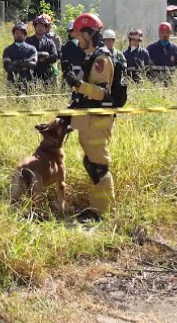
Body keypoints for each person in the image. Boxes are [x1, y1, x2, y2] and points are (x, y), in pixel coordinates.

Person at [62, 13, 121, 218]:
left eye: (79, 34)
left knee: (99, 167)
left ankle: (103, 214)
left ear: (89, 33)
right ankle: (97, 208)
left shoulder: (101, 60)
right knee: (91, 164)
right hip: (89, 120)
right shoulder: (91, 56)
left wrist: (78, 84)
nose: (76, 39)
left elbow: (102, 93)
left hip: (98, 121)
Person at [3, 22, 38, 92]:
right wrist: (24, 65)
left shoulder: (31, 49)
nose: (19, 35)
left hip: (28, 82)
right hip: (12, 83)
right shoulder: (8, 50)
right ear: (13, 34)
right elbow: (8, 67)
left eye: (21, 33)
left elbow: (33, 64)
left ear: (25, 34)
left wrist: (15, 63)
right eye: (17, 33)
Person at [26, 14, 59, 85]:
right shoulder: (28, 41)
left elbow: (55, 57)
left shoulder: (50, 42)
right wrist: (40, 55)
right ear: (35, 27)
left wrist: (45, 59)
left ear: (46, 28)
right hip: (30, 76)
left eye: (42, 26)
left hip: (46, 76)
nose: (40, 28)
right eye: (38, 26)